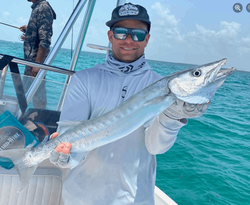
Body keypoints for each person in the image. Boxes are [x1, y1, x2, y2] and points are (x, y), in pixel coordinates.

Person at [49, 3, 208, 205]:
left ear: (147, 39)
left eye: (138, 34)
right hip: (81, 198)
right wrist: (66, 156)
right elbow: (70, 138)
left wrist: (174, 116)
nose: (129, 40)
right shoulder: (84, 80)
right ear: (110, 36)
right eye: (121, 33)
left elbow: (156, 146)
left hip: (135, 199)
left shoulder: (159, 85)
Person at [19, 0, 56, 109]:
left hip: (35, 62)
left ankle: (39, 120)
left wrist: (38, 64)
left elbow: (45, 40)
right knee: (27, 94)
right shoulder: (38, 7)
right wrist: (29, 30)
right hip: (30, 62)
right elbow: (39, 33)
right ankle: (27, 119)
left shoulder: (43, 8)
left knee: (38, 95)